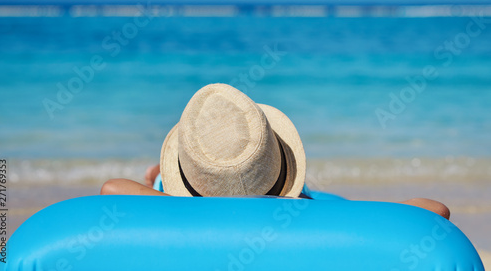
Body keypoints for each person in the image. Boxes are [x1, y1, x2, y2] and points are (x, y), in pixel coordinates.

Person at [101, 83, 450, 220]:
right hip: (290, 197)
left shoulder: (184, 208)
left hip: (191, 193)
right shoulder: (310, 211)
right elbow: (436, 210)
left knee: (154, 180)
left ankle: (159, 177)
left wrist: (193, 202)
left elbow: (111, 189)